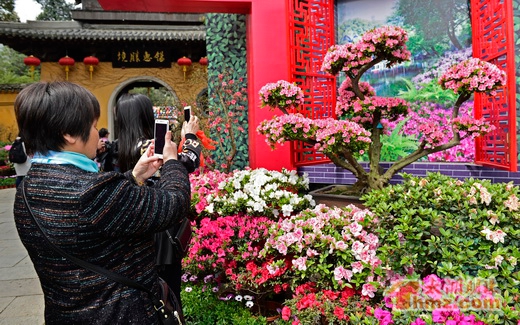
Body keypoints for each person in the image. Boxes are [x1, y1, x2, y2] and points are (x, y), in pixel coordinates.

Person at [13, 81, 192, 324]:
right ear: (69, 133)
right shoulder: (91, 192)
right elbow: (174, 203)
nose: (98, 133)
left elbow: (93, 216)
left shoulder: (28, 187)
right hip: (122, 314)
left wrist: (134, 177)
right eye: (93, 126)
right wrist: (172, 161)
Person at [114, 93, 201, 309]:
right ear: (145, 116)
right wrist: (190, 135)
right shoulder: (149, 147)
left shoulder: (115, 147)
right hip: (159, 235)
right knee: (168, 297)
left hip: (131, 234)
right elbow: (187, 163)